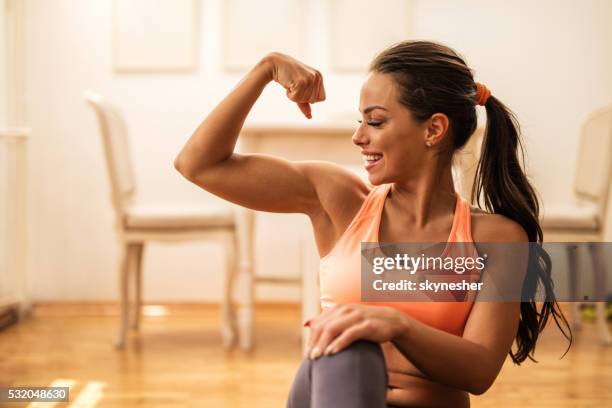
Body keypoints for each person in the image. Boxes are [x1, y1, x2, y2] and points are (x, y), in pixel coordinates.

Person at [174, 40, 572, 407]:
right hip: (330, 389)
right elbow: (198, 165)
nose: (358, 137)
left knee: (357, 336)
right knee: (350, 347)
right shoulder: (339, 199)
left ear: (434, 129)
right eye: (359, 122)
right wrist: (266, 68)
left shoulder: (497, 238)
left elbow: (480, 369)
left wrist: (392, 323)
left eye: (375, 122)